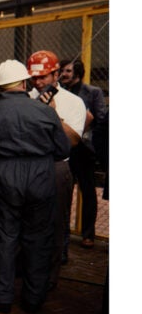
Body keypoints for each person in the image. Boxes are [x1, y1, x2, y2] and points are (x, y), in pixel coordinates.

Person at [0, 60, 71, 314]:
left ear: (0, 87)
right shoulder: (46, 111)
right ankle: (33, 298)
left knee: (5, 237)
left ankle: (0, 296)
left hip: (4, 178)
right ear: (25, 83)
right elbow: (62, 150)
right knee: (38, 239)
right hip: (40, 177)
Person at [27, 51, 86, 289]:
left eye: (43, 77)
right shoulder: (26, 97)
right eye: (34, 78)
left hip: (56, 165)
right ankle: (26, 268)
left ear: (56, 74)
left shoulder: (73, 102)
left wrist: (52, 113)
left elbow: (72, 140)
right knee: (28, 219)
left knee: (56, 223)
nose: (38, 83)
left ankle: (49, 277)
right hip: (29, 164)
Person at [59, 59, 108, 248]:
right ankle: (64, 232)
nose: (64, 74)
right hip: (66, 148)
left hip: (85, 149)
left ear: (77, 72)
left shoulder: (93, 92)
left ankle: (88, 234)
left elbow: (101, 119)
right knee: (64, 192)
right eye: (62, 70)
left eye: (68, 71)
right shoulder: (60, 92)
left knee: (87, 192)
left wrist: (83, 125)